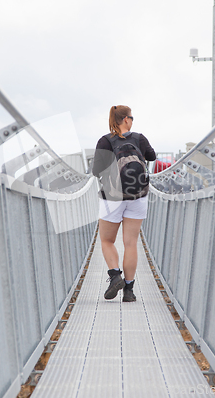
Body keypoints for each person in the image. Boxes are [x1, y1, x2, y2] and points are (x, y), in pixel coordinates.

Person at [92, 105, 156, 302]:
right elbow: (152, 157)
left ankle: (115, 276)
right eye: (132, 117)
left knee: (107, 240)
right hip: (138, 194)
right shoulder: (139, 138)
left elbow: (96, 171)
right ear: (126, 119)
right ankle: (129, 291)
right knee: (131, 243)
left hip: (113, 196)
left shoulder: (105, 140)